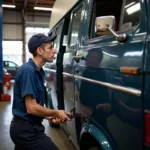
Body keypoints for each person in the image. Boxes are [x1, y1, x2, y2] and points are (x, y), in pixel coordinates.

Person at [10, 33, 71, 150]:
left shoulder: (38, 71)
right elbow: (31, 108)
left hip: (27, 127)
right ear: (40, 51)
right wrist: (56, 113)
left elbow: (31, 108)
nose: (54, 51)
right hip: (27, 132)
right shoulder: (28, 70)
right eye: (50, 47)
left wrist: (49, 117)